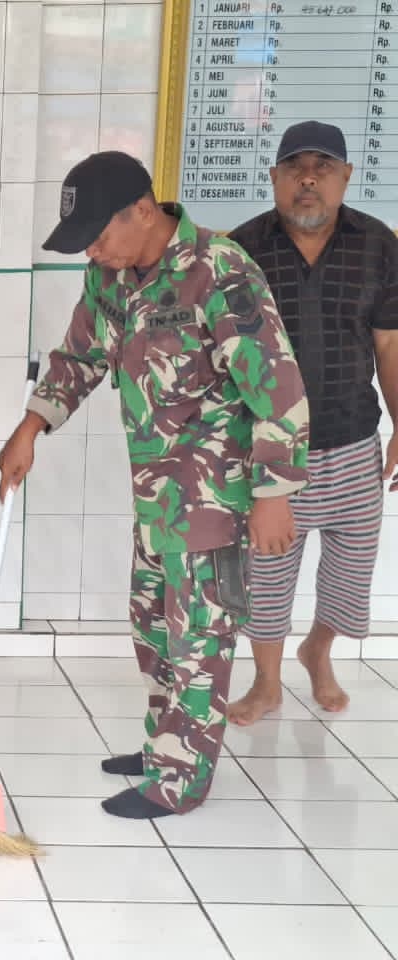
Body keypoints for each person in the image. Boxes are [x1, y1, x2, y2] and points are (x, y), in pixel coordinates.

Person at [0, 151, 310, 818]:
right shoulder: (111, 275)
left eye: (97, 235)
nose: (92, 251)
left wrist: (275, 494)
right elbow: (81, 354)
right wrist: (31, 426)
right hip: (158, 494)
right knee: (152, 624)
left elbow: (278, 386)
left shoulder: (219, 272)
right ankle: (165, 743)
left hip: (217, 496)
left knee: (199, 636)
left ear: (143, 211)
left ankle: (180, 780)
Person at [225, 121, 398, 724]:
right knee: (267, 572)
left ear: (346, 177)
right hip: (270, 452)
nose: (308, 180)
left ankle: (317, 651)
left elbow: (389, 345)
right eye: (295, 168)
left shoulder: (378, 244)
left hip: (353, 439)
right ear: (274, 177)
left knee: (352, 570)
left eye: (322, 168)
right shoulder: (241, 249)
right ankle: (266, 682)